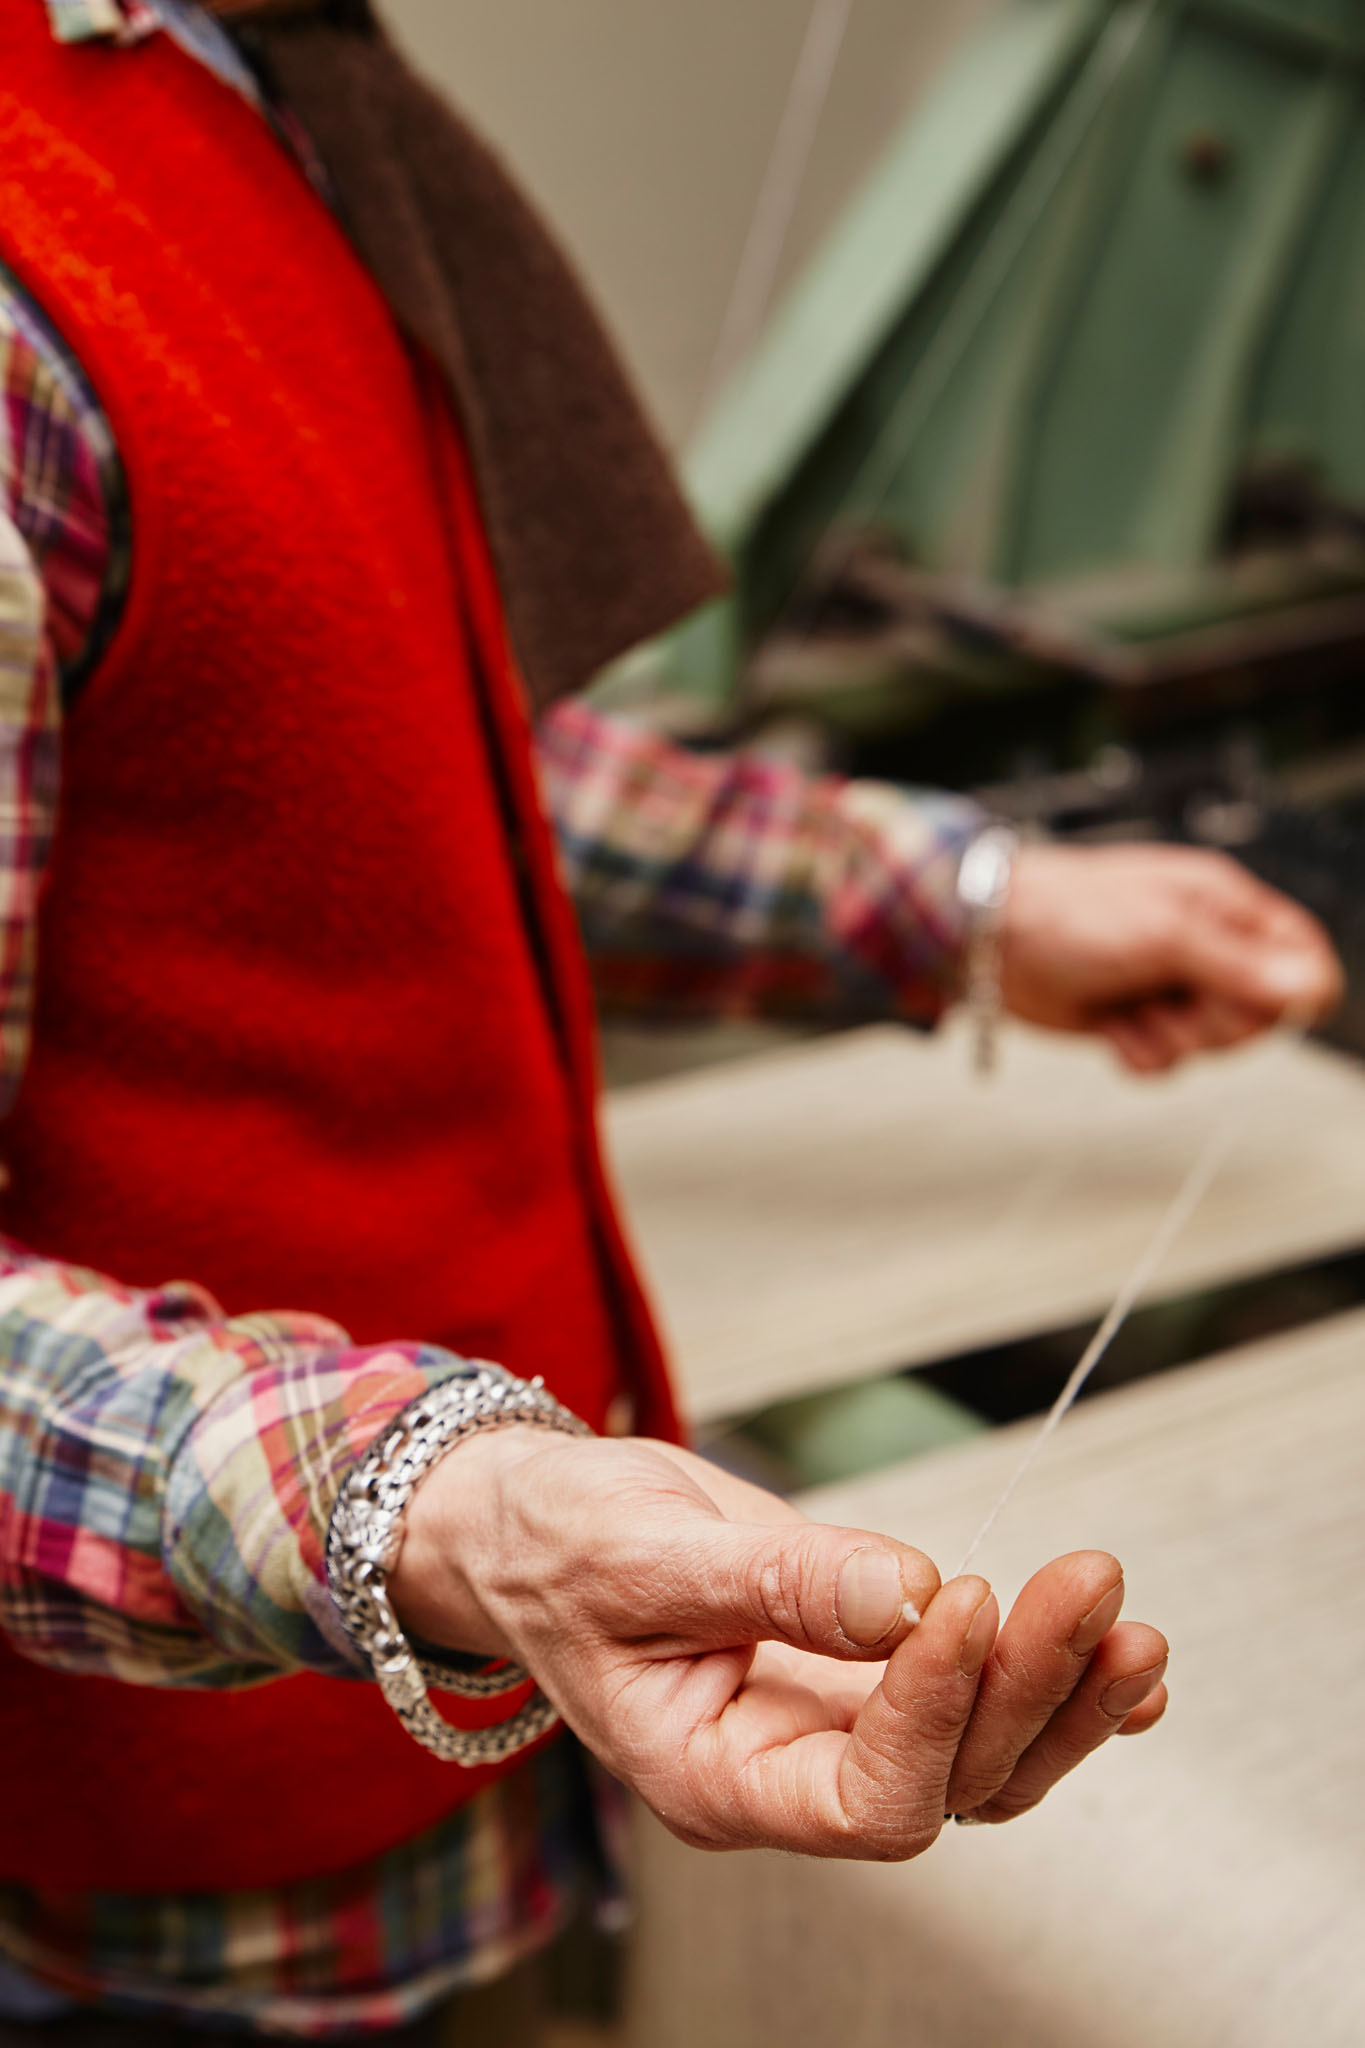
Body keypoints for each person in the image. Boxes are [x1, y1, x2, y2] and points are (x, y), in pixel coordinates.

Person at [0, 1, 1341, 2040]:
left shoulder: (246, 92)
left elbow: (370, 745)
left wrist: (957, 905)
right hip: (185, 1900)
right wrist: (447, 1506)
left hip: (478, 1755)